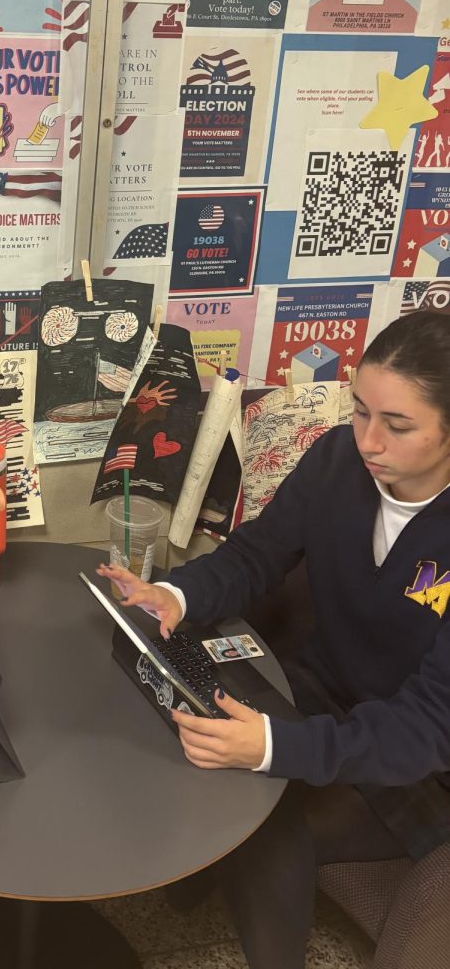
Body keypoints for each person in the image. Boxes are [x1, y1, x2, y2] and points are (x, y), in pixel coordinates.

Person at [98, 309, 450, 969]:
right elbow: (258, 553)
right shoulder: (339, 459)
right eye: (361, 410)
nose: (368, 440)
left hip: (416, 760)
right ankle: (188, 881)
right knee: (186, 717)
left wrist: (271, 746)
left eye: (396, 425)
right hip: (317, 689)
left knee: (261, 820)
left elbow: (426, 728)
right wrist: (174, 594)